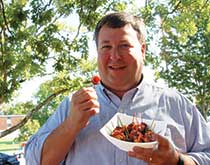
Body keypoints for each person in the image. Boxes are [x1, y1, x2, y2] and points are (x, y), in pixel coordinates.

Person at [25, 12, 210, 165]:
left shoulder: (176, 104)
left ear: (142, 50)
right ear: (97, 52)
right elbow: (34, 161)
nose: (115, 56)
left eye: (124, 46)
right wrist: (71, 125)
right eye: (106, 47)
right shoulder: (72, 106)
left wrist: (177, 161)